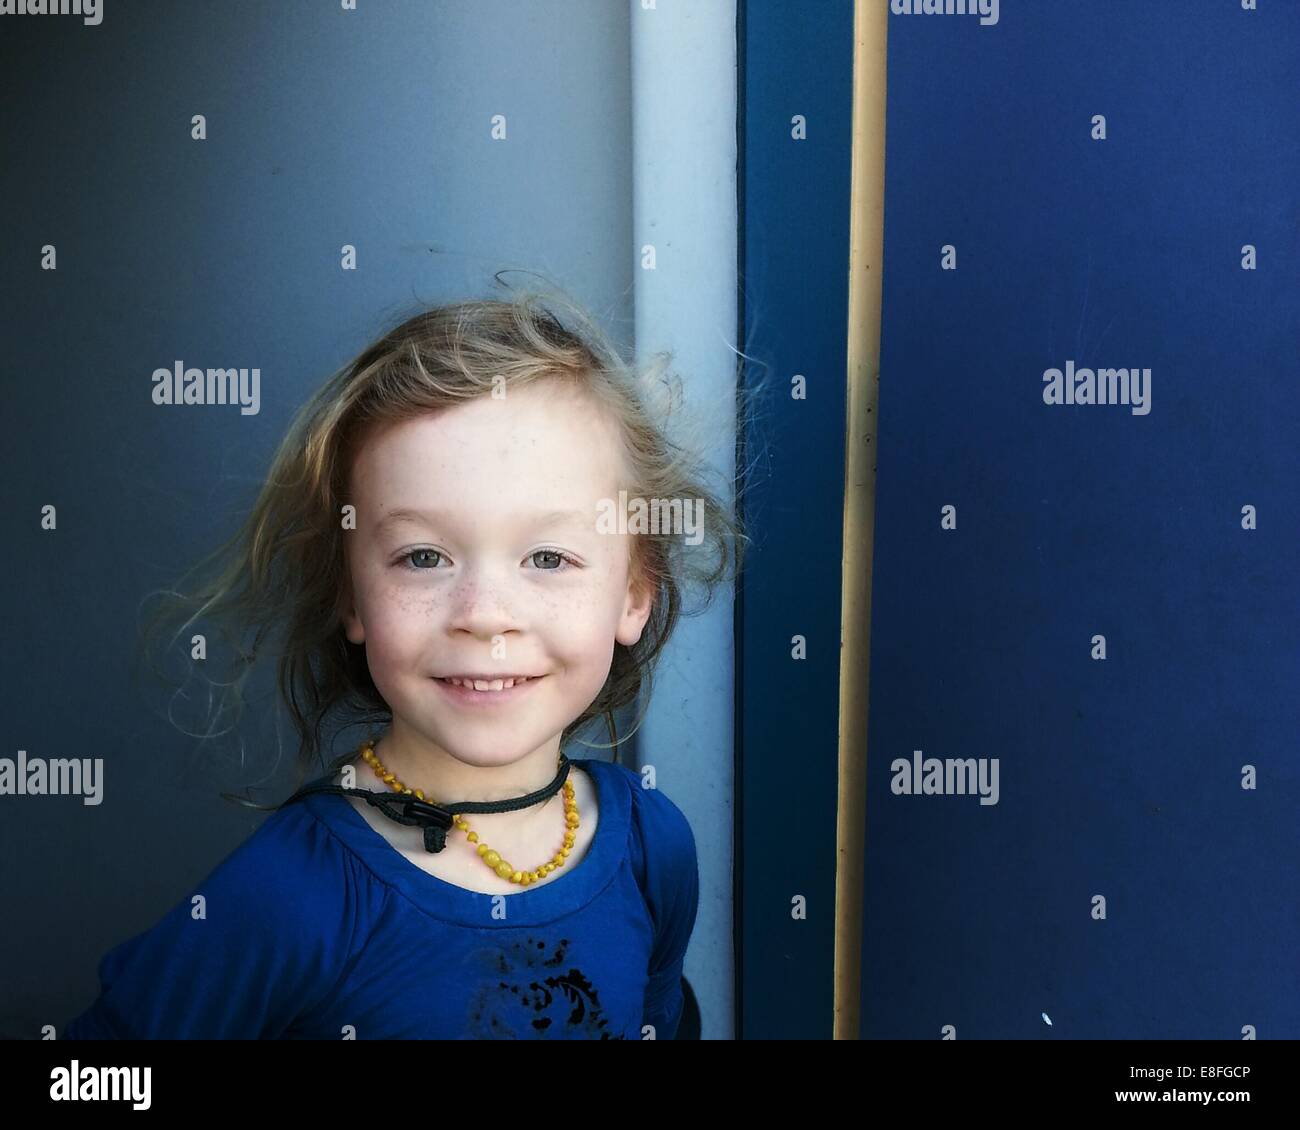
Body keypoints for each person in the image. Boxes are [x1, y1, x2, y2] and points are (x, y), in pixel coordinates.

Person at [62, 282, 746, 1039]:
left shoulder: (653, 847)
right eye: (423, 556)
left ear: (634, 593)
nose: (485, 613)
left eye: (548, 556)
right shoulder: (289, 895)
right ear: (352, 597)